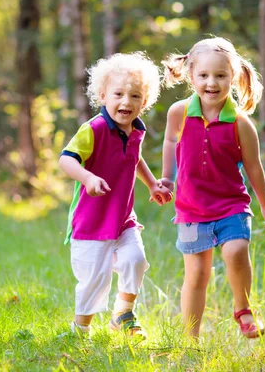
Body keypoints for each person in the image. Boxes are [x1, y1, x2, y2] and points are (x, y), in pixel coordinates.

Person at [160, 37, 265, 339]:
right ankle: (191, 340)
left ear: (233, 77)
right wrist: (167, 178)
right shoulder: (179, 112)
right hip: (191, 208)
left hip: (231, 205)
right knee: (197, 275)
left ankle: (243, 309)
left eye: (220, 76)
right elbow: (171, 142)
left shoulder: (240, 123)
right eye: (204, 75)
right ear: (191, 76)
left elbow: (253, 165)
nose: (212, 83)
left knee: (237, 250)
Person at [59, 52, 172, 339]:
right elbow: (66, 160)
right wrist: (88, 177)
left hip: (122, 219)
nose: (126, 102)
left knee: (136, 260)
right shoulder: (93, 130)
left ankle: (123, 314)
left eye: (135, 96)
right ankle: (80, 329)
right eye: (118, 94)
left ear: (144, 102)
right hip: (92, 221)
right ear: (103, 95)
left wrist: (152, 184)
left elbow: (134, 158)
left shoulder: (136, 131)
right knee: (94, 280)